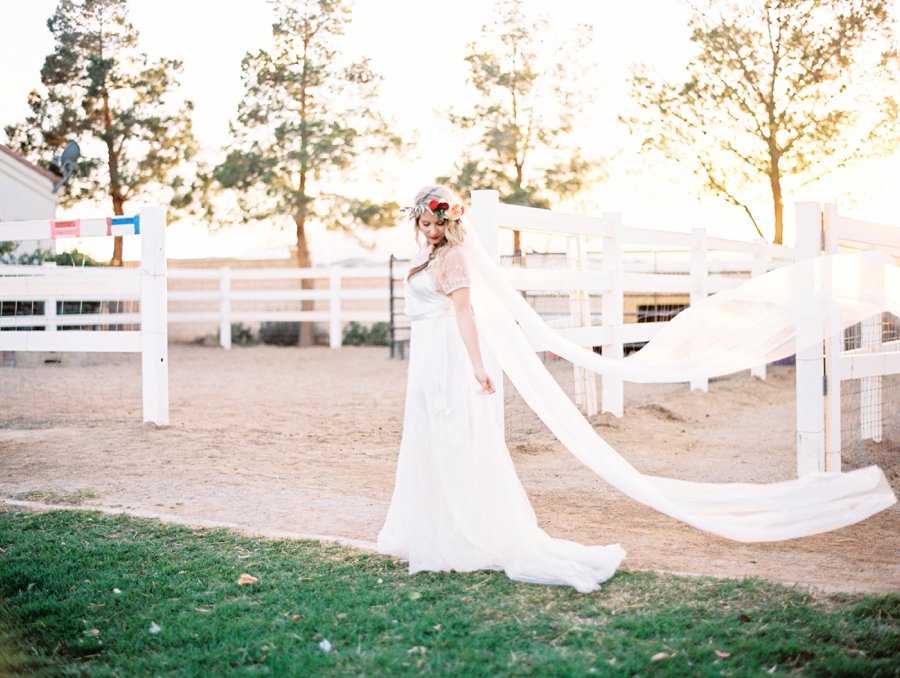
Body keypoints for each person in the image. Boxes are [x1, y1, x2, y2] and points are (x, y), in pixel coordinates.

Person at [377, 185, 626, 593]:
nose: (429, 231)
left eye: (437, 224)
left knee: (452, 436)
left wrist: (477, 365)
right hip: (423, 355)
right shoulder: (424, 253)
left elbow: (463, 314)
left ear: (450, 222)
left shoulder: (455, 257)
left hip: (446, 354)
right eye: (423, 224)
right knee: (426, 434)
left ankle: (462, 532)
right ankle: (430, 529)